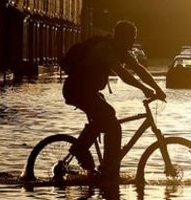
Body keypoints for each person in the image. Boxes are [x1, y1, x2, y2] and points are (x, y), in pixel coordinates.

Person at [62, 20, 166, 181]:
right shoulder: (105, 48)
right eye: (131, 37)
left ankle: (109, 168)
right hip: (77, 90)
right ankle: (90, 157)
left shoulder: (121, 50)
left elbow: (139, 69)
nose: (133, 41)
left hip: (88, 91)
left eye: (134, 37)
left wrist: (158, 89)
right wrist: (144, 89)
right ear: (122, 37)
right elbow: (123, 74)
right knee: (109, 117)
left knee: (110, 122)